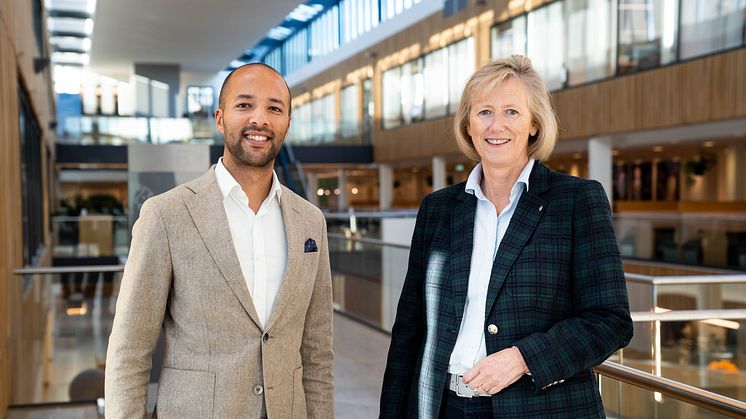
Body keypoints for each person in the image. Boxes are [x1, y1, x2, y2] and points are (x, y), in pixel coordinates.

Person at [379, 55, 633, 418]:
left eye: (512, 112)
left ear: (533, 124)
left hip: (539, 408)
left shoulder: (577, 200)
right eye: (484, 112)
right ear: (468, 124)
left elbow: (611, 321)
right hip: (443, 406)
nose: (496, 125)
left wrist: (523, 358)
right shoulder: (438, 209)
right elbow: (410, 329)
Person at [105, 63, 334, 419]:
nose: (260, 119)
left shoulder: (310, 221)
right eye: (244, 105)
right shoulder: (166, 214)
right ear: (220, 118)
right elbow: (130, 350)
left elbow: (318, 352)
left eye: (274, 108)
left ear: (287, 122)